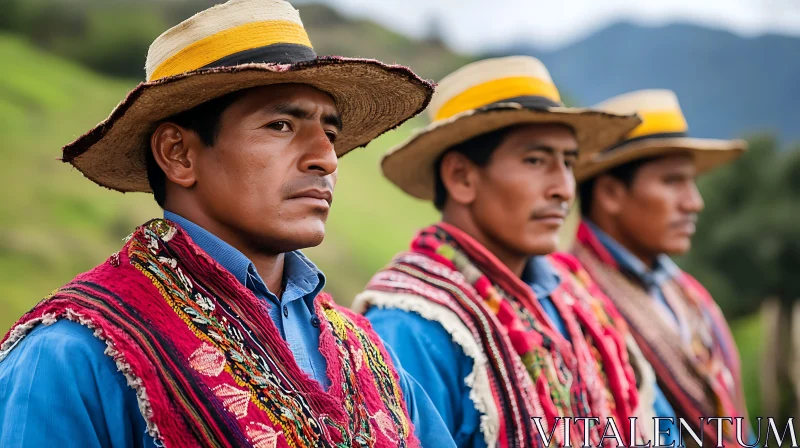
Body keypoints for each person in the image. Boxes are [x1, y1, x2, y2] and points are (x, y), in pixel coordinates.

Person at [0, 1, 455, 447]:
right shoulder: (71, 354)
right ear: (178, 154)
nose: (326, 158)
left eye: (331, 135)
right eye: (280, 125)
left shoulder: (368, 355)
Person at [354, 56, 677, 447]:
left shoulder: (581, 301)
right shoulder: (410, 328)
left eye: (569, 163)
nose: (564, 189)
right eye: (536, 160)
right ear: (461, 177)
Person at [571, 89, 752, 446]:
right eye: (672, 182)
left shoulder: (689, 295)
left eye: (691, 182)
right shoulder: (570, 301)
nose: (693, 202)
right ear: (610, 193)